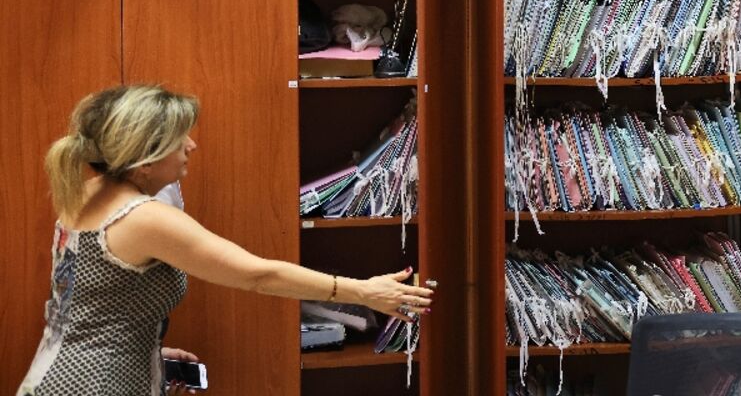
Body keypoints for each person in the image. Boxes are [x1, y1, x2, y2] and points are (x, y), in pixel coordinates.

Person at [19, 85, 435, 396]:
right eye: (180, 138)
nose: (192, 146)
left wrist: (146, 352)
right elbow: (258, 275)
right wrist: (364, 293)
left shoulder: (86, 195)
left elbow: (90, 310)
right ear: (144, 156)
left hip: (59, 377)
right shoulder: (143, 218)